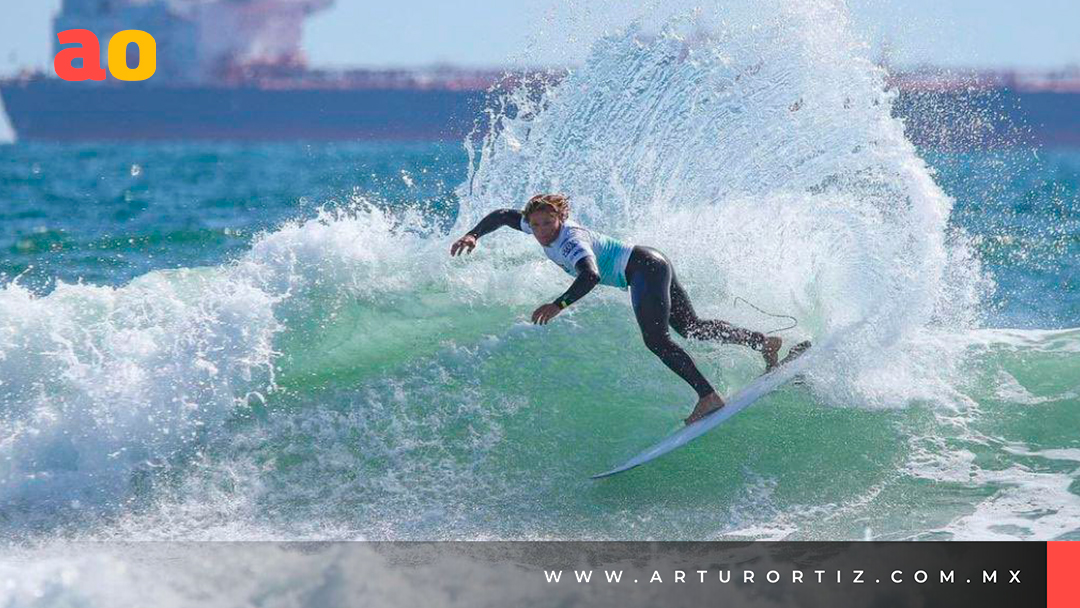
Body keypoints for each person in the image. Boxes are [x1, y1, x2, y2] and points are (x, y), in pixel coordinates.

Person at [450, 193, 792, 425]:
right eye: (536, 224)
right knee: (692, 328)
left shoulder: (572, 241)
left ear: (561, 218)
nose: (541, 231)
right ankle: (763, 342)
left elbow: (591, 275)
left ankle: (708, 396)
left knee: (657, 339)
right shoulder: (533, 224)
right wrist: (474, 234)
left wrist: (559, 304)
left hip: (644, 268)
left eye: (548, 224)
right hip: (651, 262)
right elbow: (502, 216)